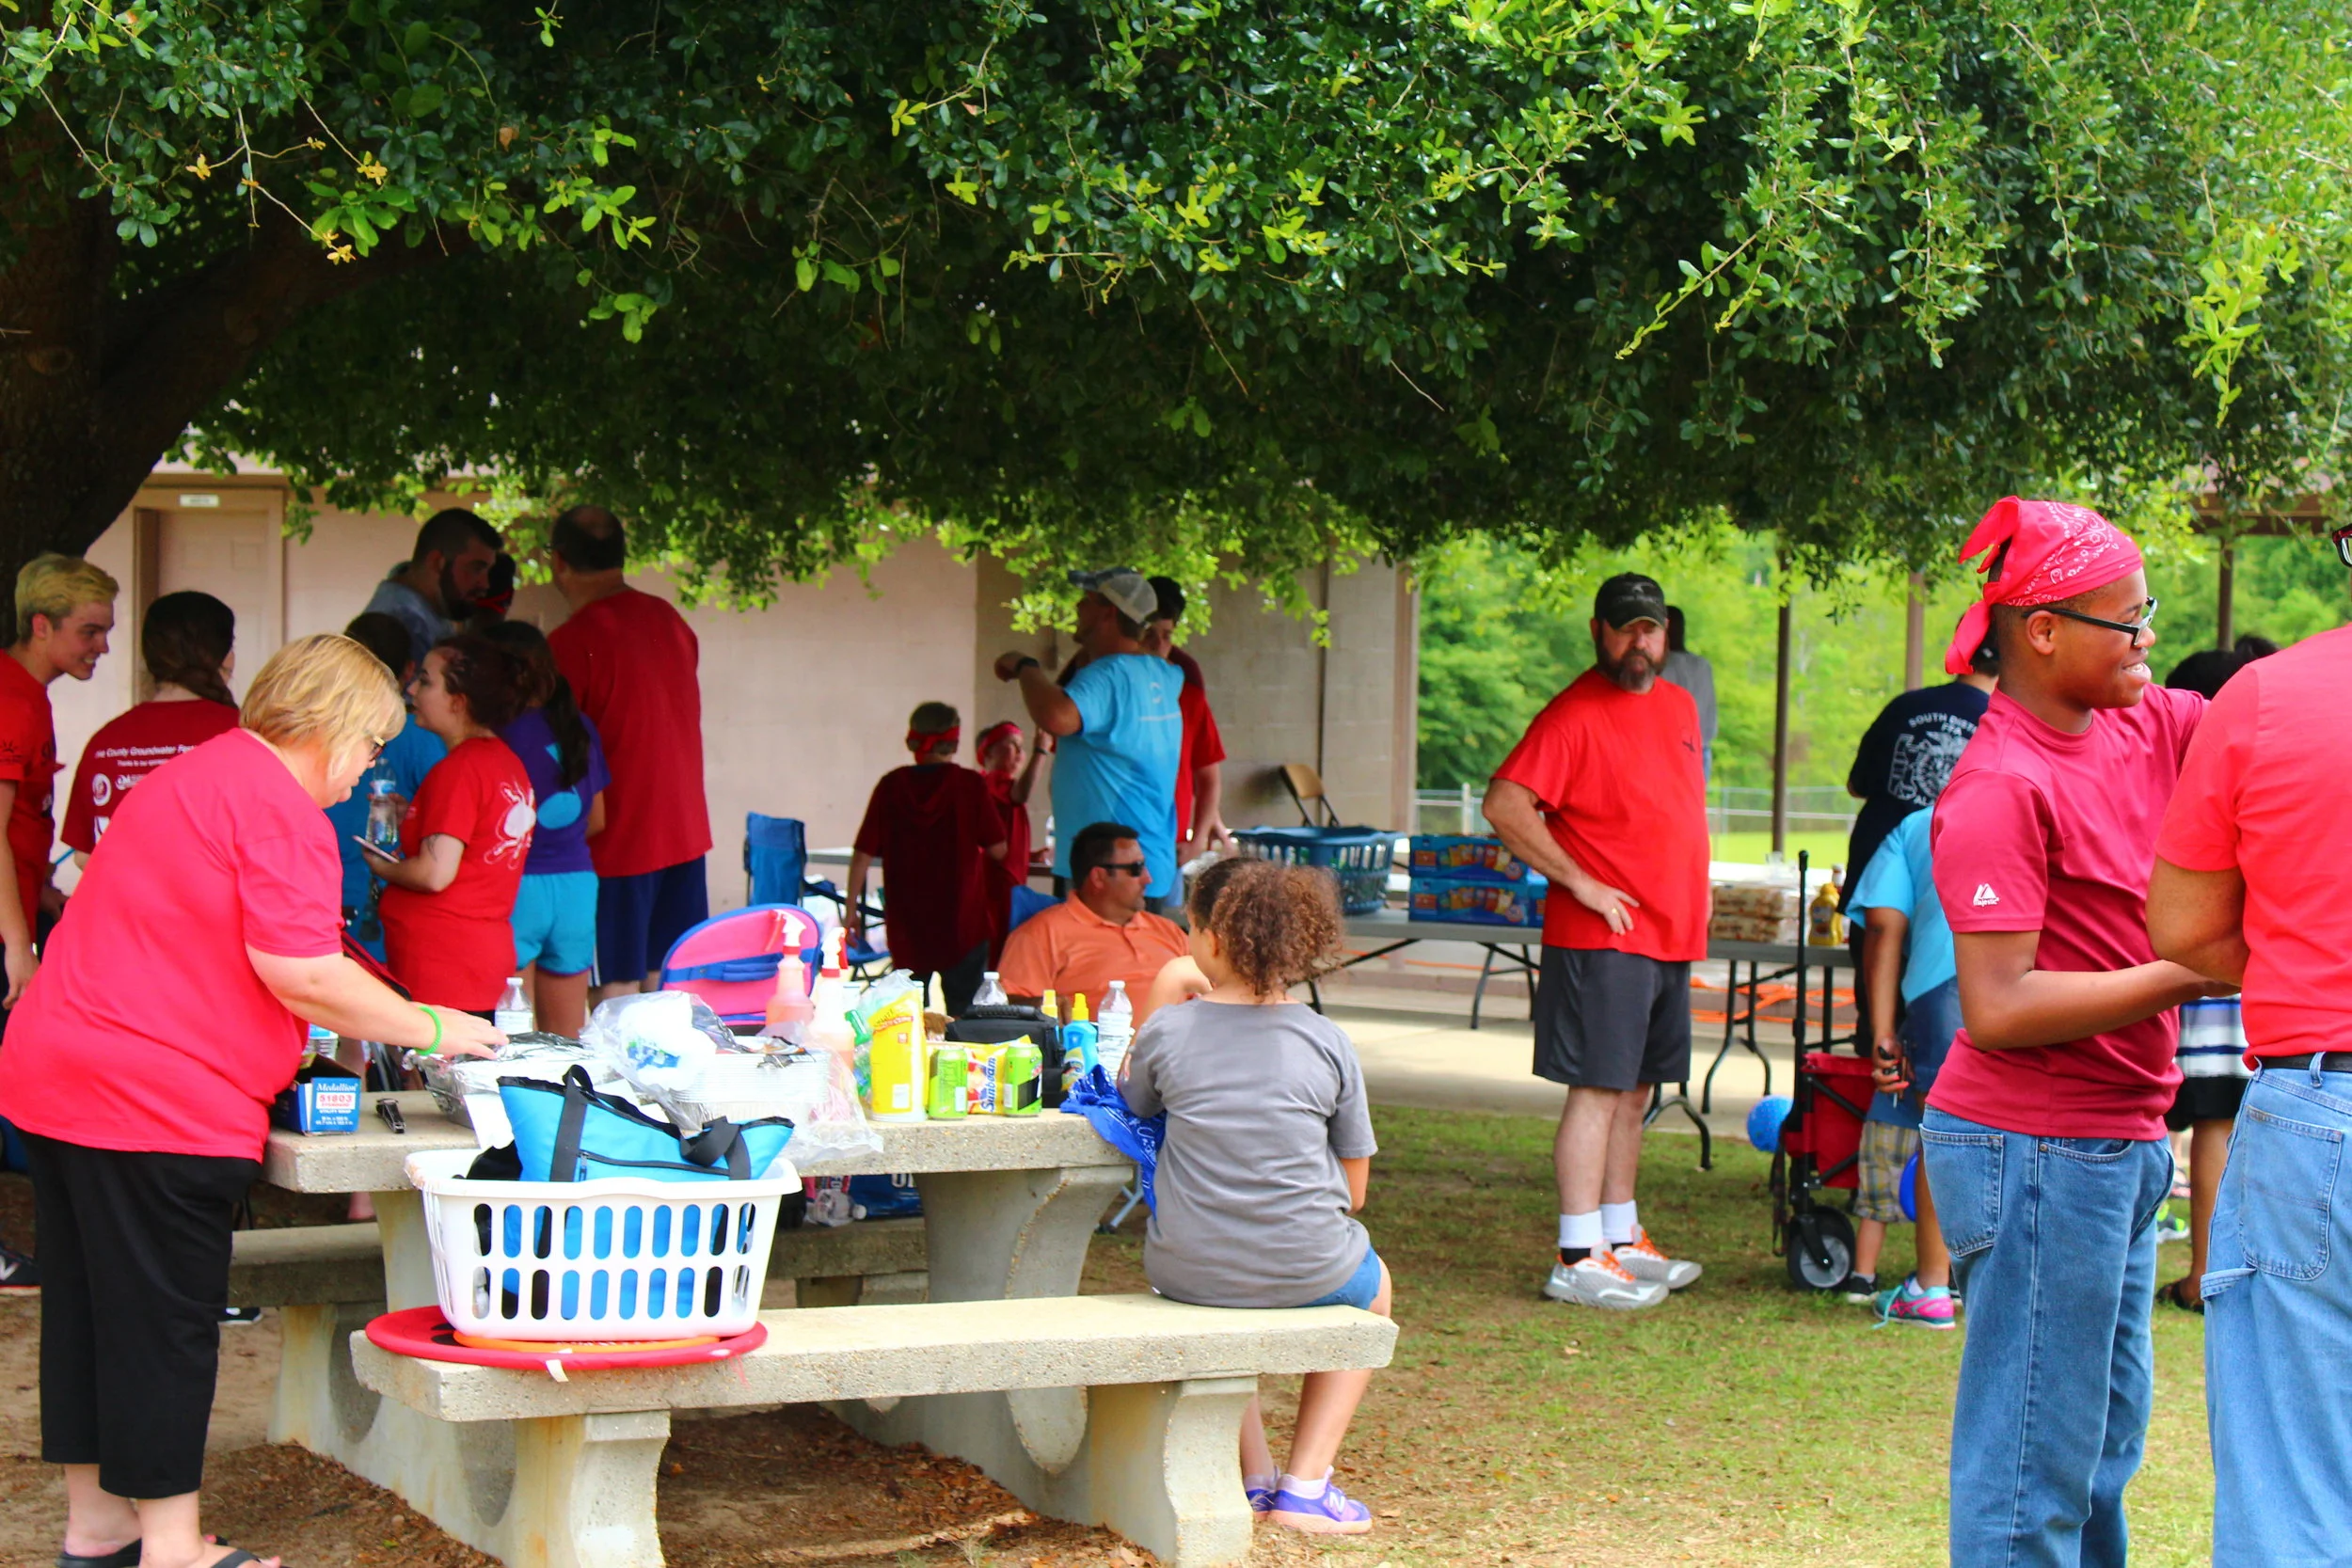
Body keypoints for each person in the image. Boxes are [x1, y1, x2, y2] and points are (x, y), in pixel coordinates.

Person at [0, 633, 500, 1568]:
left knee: (89, 1315)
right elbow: (302, 973)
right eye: (367, 747)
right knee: (162, 1323)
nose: (365, 771)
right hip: (149, 1095)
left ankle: (98, 1526)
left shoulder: (199, 773)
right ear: (331, 725)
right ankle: (173, 1547)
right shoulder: (278, 808)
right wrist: (430, 1025)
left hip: (56, 1073)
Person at [1918, 497, 2223, 1568]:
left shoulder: (2140, 721)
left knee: (2097, 1449)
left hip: (2119, 1141)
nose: (2148, 639)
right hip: (2033, 1144)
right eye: (2125, 621)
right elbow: (1997, 1007)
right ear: (2041, 629)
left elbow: (2251, 724)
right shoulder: (2000, 783)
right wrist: (2187, 969)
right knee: (2029, 1468)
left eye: (2148, 614)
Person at [2147, 620, 2352, 1566]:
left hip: (2319, 1102)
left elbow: (2183, 924)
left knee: (2293, 1484)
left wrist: (2297, 961)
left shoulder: (2267, 695)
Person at [1120, 855, 1389, 1535]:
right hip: (1314, 1264)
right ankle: (1306, 1481)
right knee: (1376, 1285)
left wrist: (1161, 991)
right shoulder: (1328, 1041)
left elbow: (1127, 1100)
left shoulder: (1170, 1030)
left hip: (1187, 1268)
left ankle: (1257, 1472)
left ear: (1209, 939)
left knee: (1218, 1302)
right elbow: (1353, 1195)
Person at [1484, 571, 1708, 1311]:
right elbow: (1507, 804)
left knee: (1636, 1087)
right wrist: (1579, 881)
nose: (1638, 641)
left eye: (1649, 628)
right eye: (1624, 628)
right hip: (1604, 935)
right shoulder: (1573, 714)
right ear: (1598, 632)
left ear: (1664, 632)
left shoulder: (1678, 704)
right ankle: (1578, 1252)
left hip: (1666, 934)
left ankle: (1620, 1232)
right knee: (1600, 1086)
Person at [545, 505, 713, 999]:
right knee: (669, 991)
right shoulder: (671, 621)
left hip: (616, 841)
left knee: (611, 996)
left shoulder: (571, 643)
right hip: (682, 834)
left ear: (558, 561)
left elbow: (555, 748)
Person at [2148, 643, 2266, 1312]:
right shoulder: (2254, 768)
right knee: (2218, 1120)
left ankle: (2175, 1269)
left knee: (2164, 1120)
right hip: (2230, 979)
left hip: (2168, 972)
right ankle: (2208, 1273)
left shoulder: (2172, 774)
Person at [366, 635, 535, 1016]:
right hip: (479, 961)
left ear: (458, 702)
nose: (412, 689)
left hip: (442, 968)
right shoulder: (506, 763)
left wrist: (383, 867)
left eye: (425, 681)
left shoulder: (458, 770)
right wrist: (418, 813)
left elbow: (434, 873)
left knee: (429, 1077)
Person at [1842, 634, 1999, 1044]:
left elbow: (1857, 784)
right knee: (1949, 1040)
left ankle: (1879, 1074)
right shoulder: (2002, 726)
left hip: (1879, 878)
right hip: (1953, 904)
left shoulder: (1904, 707)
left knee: (1879, 1025)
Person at [995, 568, 1184, 910]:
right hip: (1144, 864)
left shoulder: (1109, 675)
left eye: (1088, 600)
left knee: (1097, 964)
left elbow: (1056, 716)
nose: (1079, 606)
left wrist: (1025, 665)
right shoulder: (1165, 675)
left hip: (1107, 873)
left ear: (1108, 612)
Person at [1840, 804, 1959, 1327]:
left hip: (1944, 993)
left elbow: (1885, 928)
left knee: (1946, 1134)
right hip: (2042, 982)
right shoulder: (2051, 803)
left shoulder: (1919, 826)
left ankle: (1933, 1285)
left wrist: (1884, 1031)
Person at [0, 553, 118, 1012]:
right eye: (90, 631)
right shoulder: (12, 702)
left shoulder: (28, 693)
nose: (103, 646)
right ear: (42, 625)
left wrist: (42, 893)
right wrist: (17, 945)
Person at [483, 621, 609, 1038]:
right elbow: (598, 820)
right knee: (567, 1036)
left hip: (518, 887)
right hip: (576, 887)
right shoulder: (581, 727)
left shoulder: (496, 735)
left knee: (516, 1033)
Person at [846, 703, 1009, 1015]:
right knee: (966, 1013)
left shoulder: (891, 785)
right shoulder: (970, 785)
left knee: (905, 1017)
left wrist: (852, 909)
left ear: (912, 739)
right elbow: (998, 850)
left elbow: (863, 853)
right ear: (955, 742)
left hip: (909, 923)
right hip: (962, 921)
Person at [61, 590, 238, 864]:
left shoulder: (105, 742)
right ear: (226, 657)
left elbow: (85, 855)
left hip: (121, 906)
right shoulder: (245, 736)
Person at [326, 613, 448, 961]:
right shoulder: (421, 737)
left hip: (353, 903)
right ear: (408, 670)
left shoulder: (321, 730)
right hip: (378, 907)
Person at [998, 820, 1189, 1019]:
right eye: (1136, 868)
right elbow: (1003, 1008)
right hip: (1099, 1047)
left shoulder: (1169, 931)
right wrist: (1040, 1006)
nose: (1148, 879)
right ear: (1098, 877)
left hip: (1186, 1046)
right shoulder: (1040, 934)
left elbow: (1212, 993)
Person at [1143, 577, 1232, 856]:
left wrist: (1201, 834)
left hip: (1170, 840)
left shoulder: (1185, 679)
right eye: (1149, 633)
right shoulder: (1100, 673)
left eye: (1168, 633)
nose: (1158, 643)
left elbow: (1203, 765)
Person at [361, 508, 501, 668]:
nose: (485, 584)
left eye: (487, 571)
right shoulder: (405, 625)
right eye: (476, 568)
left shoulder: (429, 607)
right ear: (436, 562)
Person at [975, 720, 1046, 954]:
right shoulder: (993, 780)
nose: (1019, 753)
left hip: (1009, 881)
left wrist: (1029, 855)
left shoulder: (997, 787)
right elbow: (1021, 794)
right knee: (1000, 947)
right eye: (1011, 745)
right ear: (988, 752)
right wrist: (1041, 751)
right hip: (997, 883)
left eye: (1022, 747)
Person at [1661, 606, 1717, 781]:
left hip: (1666, 750)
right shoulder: (1702, 666)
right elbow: (1710, 715)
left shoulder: (1657, 669)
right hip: (1699, 749)